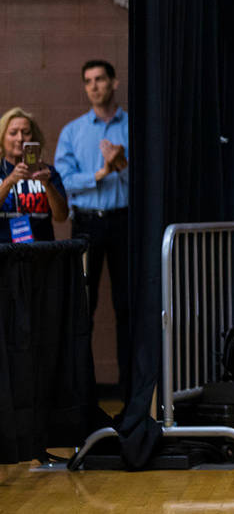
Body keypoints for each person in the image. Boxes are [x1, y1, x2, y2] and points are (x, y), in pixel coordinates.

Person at [54, 59, 131, 405]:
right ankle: (80, 395)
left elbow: (145, 180)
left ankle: (131, 391)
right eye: (88, 81)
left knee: (126, 306)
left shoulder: (132, 126)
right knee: (84, 305)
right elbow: (63, 181)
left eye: (100, 79)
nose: (95, 86)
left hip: (124, 221)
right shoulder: (72, 131)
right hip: (86, 223)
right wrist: (101, 173)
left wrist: (121, 166)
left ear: (114, 83)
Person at [0, 107, 68, 242]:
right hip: (4, 253)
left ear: (33, 136)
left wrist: (47, 185)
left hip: (41, 252)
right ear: (2, 137)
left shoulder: (47, 172)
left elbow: (61, 217)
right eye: (13, 133)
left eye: (26, 133)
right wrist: (9, 182)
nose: (20, 138)